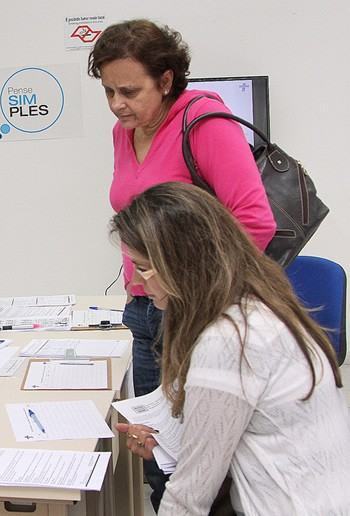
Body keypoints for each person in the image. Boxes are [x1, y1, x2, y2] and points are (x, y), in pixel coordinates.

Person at [87, 19, 277, 509]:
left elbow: (255, 223)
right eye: (108, 90)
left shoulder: (204, 122)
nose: (117, 104)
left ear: (166, 80)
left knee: (203, 463)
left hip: (194, 312)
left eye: (129, 91)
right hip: (145, 307)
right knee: (157, 451)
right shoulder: (122, 132)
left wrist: (194, 294)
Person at [110, 182, 350, 515]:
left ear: (184, 263)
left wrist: (188, 457)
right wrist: (173, 445)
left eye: (144, 267)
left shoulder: (228, 341)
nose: (136, 282)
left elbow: (189, 496)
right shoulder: (259, 303)